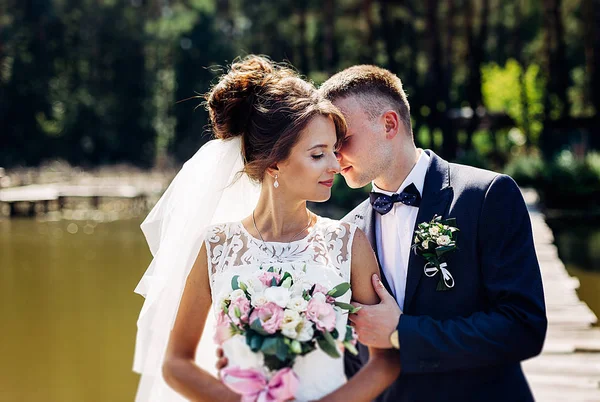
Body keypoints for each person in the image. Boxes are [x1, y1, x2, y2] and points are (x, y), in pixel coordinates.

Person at [133, 56, 400, 402]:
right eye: (319, 155)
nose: (336, 165)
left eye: (334, 151)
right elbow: (175, 364)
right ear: (274, 162)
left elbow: (386, 361)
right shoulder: (216, 245)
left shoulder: (349, 243)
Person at [317, 65, 548, 401]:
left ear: (389, 124)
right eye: (329, 146)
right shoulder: (347, 231)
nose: (336, 159)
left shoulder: (485, 196)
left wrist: (403, 333)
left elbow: (522, 327)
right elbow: (355, 355)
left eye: (344, 141)